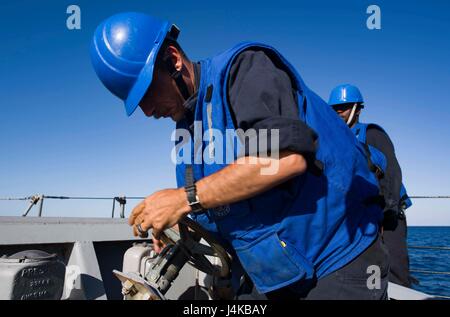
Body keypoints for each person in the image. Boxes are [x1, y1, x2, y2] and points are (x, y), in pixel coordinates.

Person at [90, 12, 389, 299]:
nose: (147, 111)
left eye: (146, 93)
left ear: (173, 60)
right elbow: (218, 198)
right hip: (278, 270)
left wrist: (182, 199)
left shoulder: (244, 69)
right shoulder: (188, 125)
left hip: (337, 259)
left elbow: (286, 159)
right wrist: (176, 226)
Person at [328, 84, 412, 287]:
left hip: (387, 215)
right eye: (335, 108)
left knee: (395, 270)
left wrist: (387, 211)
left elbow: (392, 174)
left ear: (357, 108)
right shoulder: (335, 141)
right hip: (359, 217)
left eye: (345, 106)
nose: (339, 111)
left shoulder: (372, 134)